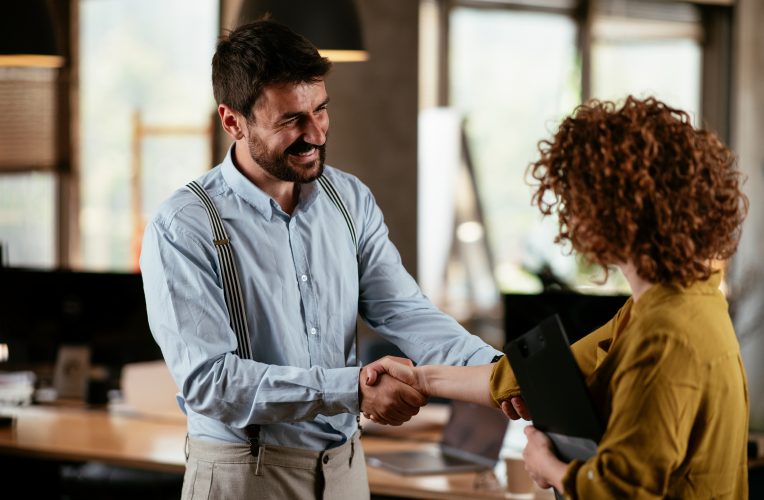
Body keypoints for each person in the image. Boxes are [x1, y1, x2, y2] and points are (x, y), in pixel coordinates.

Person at [139, 18, 503, 500]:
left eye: (321, 110)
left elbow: (406, 312)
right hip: (244, 476)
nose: (315, 133)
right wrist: (352, 389)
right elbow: (211, 382)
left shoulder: (349, 201)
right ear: (233, 121)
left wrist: (498, 373)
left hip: (346, 471)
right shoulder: (183, 226)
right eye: (291, 120)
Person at [365, 96, 750, 499]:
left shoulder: (665, 331)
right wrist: (422, 378)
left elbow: (621, 490)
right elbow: (526, 379)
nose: (569, 212)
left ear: (617, 209)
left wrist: (547, 466)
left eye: (577, 196)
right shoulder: (677, 302)